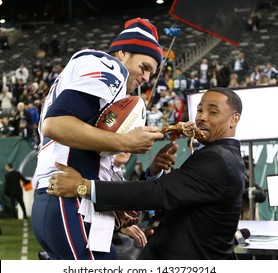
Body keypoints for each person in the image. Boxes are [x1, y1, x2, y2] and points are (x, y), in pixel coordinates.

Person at [48, 87, 246, 260]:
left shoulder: (218, 159)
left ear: (234, 119)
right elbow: (180, 199)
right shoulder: (221, 155)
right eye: (200, 110)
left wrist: (84, 186)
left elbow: (159, 193)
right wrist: (155, 172)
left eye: (213, 112)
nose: (201, 117)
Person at [31, 17, 164, 260]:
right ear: (122, 53)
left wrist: (114, 207)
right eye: (144, 67)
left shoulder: (93, 76)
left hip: (64, 200)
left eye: (151, 73)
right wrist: (126, 142)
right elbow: (55, 124)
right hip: (68, 200)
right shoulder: (110, 67)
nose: (146, 78)